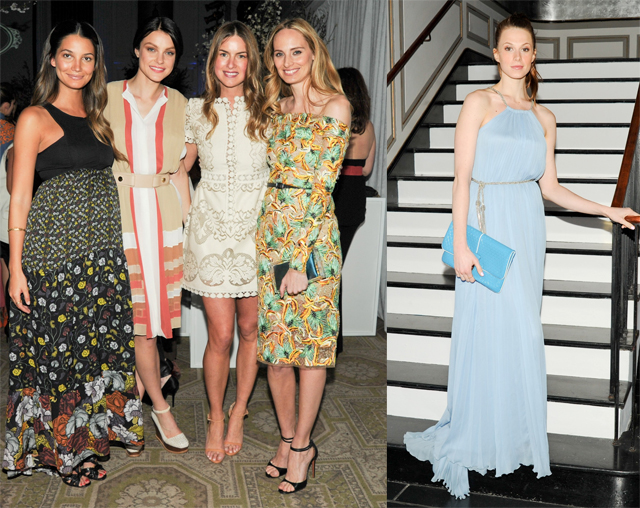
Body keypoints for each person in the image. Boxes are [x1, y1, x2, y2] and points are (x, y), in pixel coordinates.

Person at [404, 13, 639, 499]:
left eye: (525, 48)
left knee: (523, 332)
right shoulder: (477, 102)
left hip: (527, 228)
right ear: (496, 54)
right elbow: (461, 179)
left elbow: (550, 187)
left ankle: (512, 437)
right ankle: (478, 434)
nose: (516, 56)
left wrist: (607, 209)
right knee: (487, 332)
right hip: (487, 225)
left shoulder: (544, 118)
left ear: (533, 56)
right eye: (508, 48)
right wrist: (461, 245)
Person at [4, 20, 141, 488]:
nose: (77, 66)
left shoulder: (98, 115)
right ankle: (64, 453)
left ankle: (87, 443)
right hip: (54, 259)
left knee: (91, 354)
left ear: (96, 63)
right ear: (52, 60)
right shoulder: (34, 117)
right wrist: (15, 269)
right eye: (67, 55)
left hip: (100, 257)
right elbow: (20, 198)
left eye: (87, 57)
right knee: (58, 357)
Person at [257, 18, 351, 494]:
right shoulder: (275, 109)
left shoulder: (336, 105)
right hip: (271, 238)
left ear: (314, 53)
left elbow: (321, 186)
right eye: (279, 53)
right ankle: (287, 437)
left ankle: (302, 447)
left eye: (297, 51)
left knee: (310, 351)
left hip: (312, 244)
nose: (288, 61)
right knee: (276, 355)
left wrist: (298, 262)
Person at [182, 21, 269, 464]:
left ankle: (239, 411)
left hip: (257, 233)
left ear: (251, 62)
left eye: (241, 55)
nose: (231, 64)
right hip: (211, 233)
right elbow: (180, 168)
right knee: (220, 334)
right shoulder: (195, 110)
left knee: (251, 330)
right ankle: (216, 416)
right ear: (213, 60)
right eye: (223, 54)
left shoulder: (270, 109)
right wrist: (188, 215)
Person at [104, 16, 191, 455]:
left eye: (169, 52)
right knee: (136, 325)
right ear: (137, 50)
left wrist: (191, 224)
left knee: (152, 324)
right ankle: (159, 408)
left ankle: (133, 413)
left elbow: (182, 169)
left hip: (163, 217)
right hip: (119, 216)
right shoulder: (104, 96)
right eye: (152, 48)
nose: (160, 59)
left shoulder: (182, 104)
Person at [332, 67, 376, 354]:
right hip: (355, 198)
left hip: (336, 196)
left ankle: (330, 340)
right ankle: (335, 341)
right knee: (334, 270)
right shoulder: (368, 126)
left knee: (327, 272)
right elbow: (368, 169)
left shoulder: (336, 122)